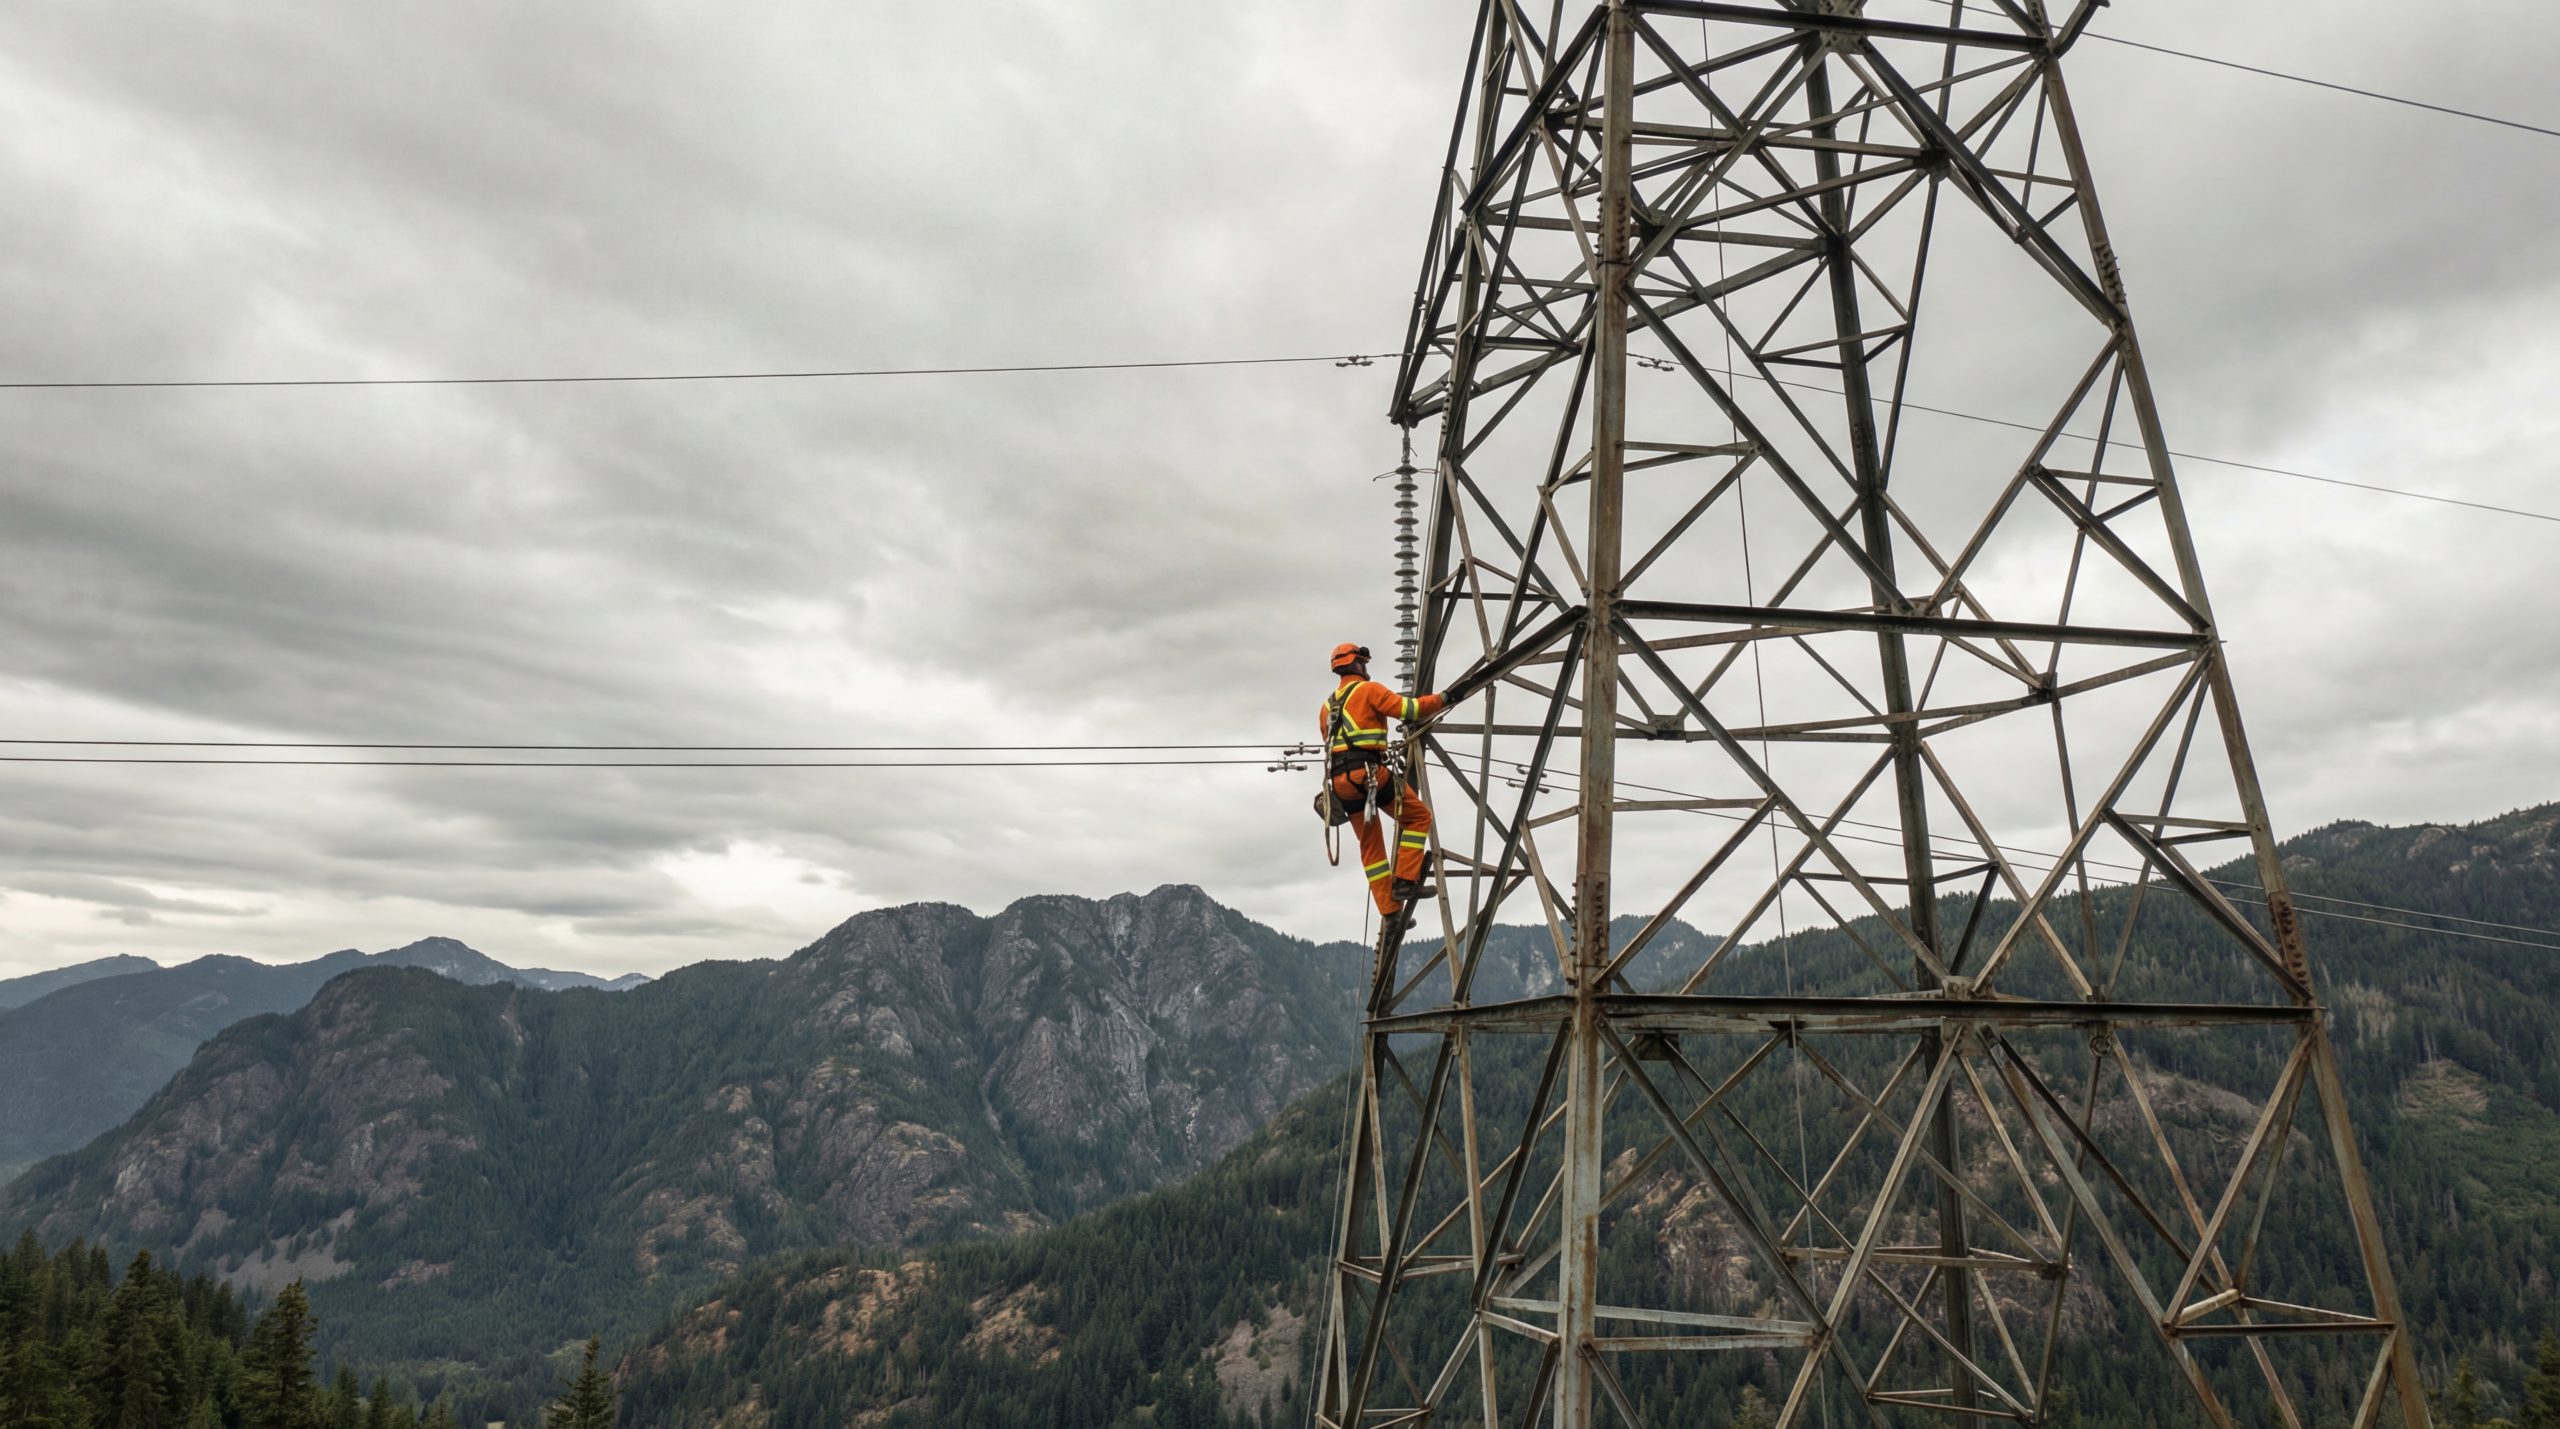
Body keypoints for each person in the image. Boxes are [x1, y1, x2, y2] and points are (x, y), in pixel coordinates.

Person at [1321, 642, 1446, 925]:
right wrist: (1444, 699)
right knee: (1417, 817)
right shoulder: (1369, 690)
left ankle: (1390, 912)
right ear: (1357, 664)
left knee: (1371, 848)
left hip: (1340, 783)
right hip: (1369, 774)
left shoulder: (1326, 708)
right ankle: (1405, 881)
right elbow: (1411, 709)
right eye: (1363, 663)